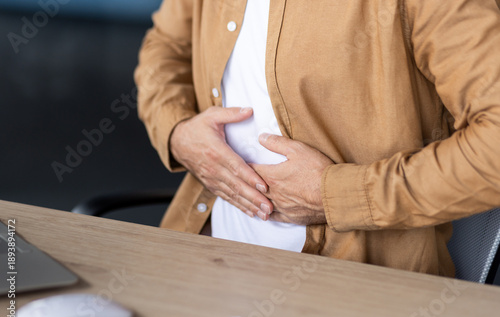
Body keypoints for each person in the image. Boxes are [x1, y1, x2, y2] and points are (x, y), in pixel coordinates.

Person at [135, 0, 500, 276]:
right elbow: (165, 47)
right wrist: (178, 132)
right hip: (204, 258)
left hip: (354, 288)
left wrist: (336, 195)